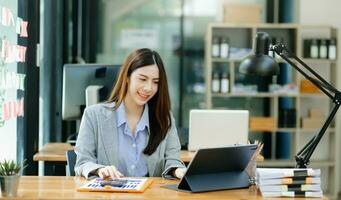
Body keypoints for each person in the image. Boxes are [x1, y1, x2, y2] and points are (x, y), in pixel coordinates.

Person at [74, 48, 186, 180]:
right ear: (127, 77)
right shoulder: (93, 115)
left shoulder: (164, 119)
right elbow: (82, 163)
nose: (149, 88)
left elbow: (173, 161)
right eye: (143, 79)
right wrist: (100, 170)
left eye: (155, 82)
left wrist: (178, 171)